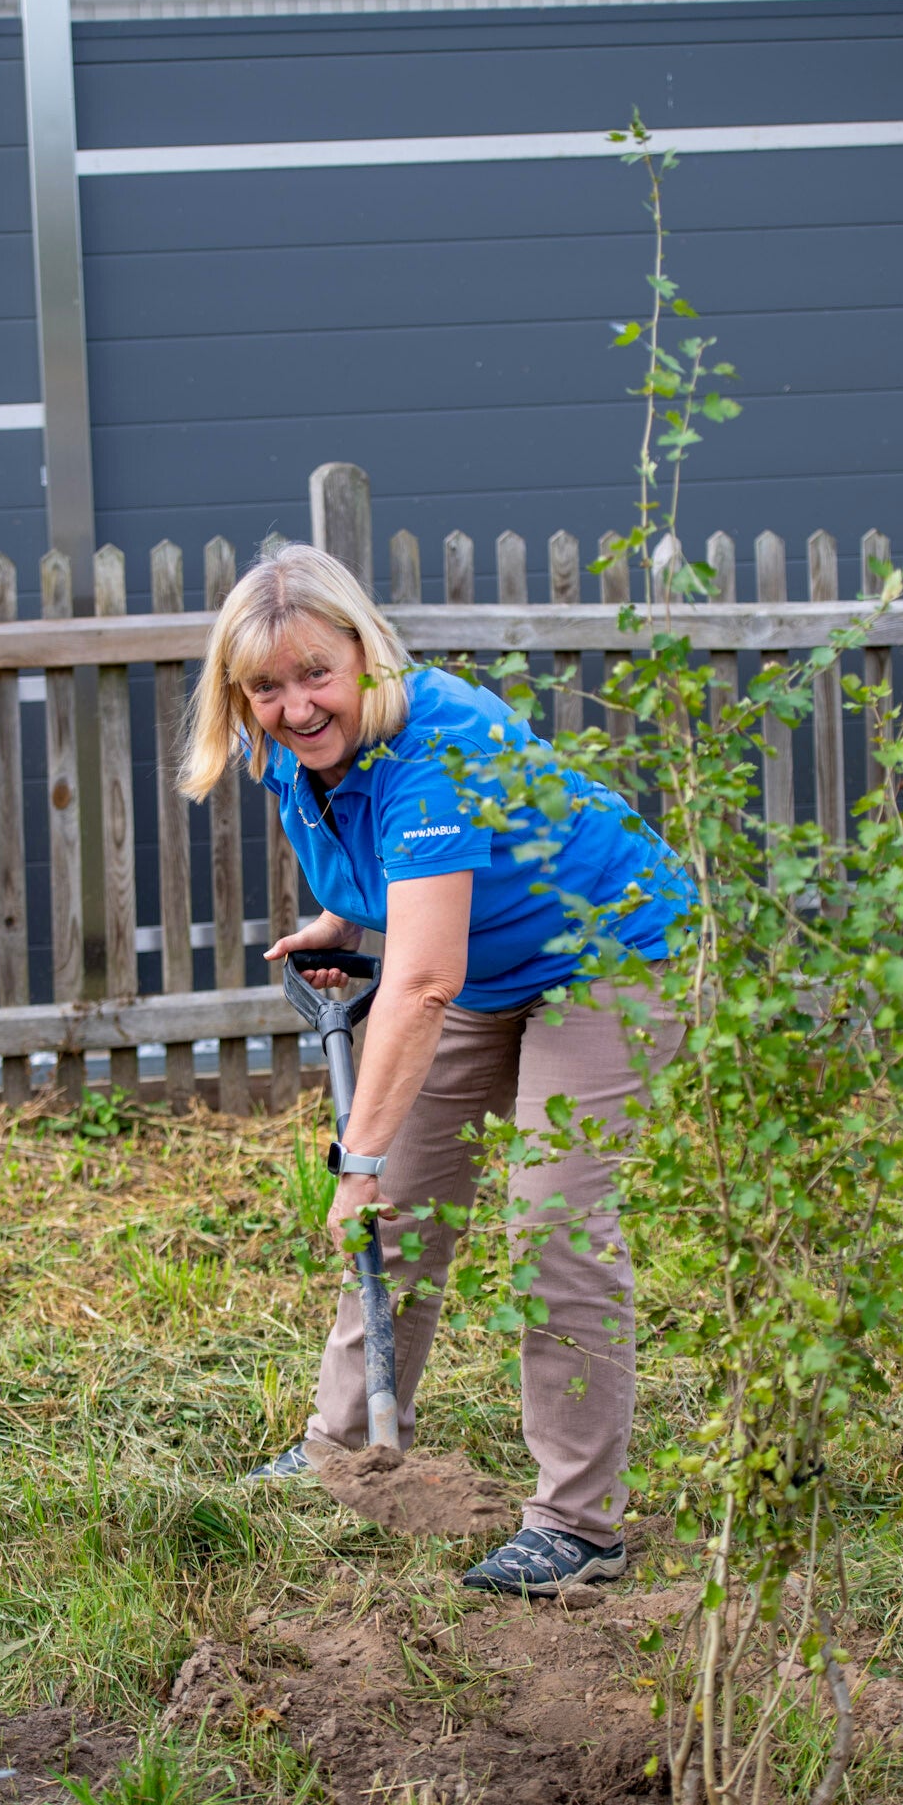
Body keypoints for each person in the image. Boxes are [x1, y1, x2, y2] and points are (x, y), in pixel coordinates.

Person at [180, 542, 692, 1596]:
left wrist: (355, 1159)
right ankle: (342, 1449)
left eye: (315, 674)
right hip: (485, 965)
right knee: (402, 1208)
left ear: (366, 653)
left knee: (552, 1222)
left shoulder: (436, 746)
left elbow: (419, 982)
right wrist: (345, 913)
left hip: (612, 953)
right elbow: (397, 869)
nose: (295, 705)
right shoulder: (288, 749)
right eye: (265, 686)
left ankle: (578, 1525)